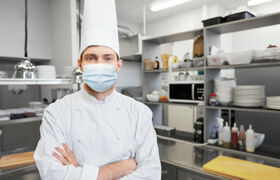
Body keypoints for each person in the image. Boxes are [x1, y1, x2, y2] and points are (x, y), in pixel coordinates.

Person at [34, 0, 161, 179]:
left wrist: (79, 172)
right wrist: (119, 168)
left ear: (118, 65)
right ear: (80, 64)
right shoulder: (56, 113)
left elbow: (151, 174)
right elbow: (51, 174)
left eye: (107, 58)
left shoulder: (139, 113)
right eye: (91, 58)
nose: (99, 64)